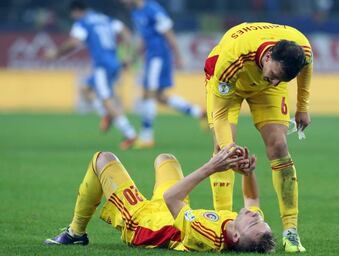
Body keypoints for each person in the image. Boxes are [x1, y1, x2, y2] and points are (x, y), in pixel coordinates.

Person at [204, 22, 313, 252]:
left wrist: (302, 106)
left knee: (279, 146)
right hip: (228, 83)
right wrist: (229, 148)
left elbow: (306, 70)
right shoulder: (233, 58)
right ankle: (224, 220)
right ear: (268, 56)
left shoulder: (301, 49)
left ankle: (290, 231)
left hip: (263, 89)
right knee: (222, 151)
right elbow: (221, 114)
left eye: (281, 80)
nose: (274, 82)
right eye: (274, 75)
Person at [44, 145, 275, 253]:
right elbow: (251, 198)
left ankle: (75, 233)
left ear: (235, 237)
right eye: (260, 219)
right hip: (168, 210)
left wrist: (211, 167)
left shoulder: (207, 234)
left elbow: (171, 197)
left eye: (254, 222)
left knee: (102, 159)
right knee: (166, 158)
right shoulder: (238, 226)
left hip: (143, 222)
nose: (255, 215)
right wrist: (249, 173)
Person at [45, 1, 138, 150]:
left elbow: (74, 42)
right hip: (114, 63)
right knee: (86, 88)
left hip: (102, 66)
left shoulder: (83, 22)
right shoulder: (104, 18)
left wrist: (56, 53)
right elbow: (126, 33)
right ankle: (106, 115)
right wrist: (127, 54)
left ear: (76, 11)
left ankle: (130, 134)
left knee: (107, 100)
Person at [121, 0, 206, 149]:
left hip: (159, 57)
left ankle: (146, 137)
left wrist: (178, 56)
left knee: (149, 94)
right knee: (159, 96)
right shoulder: (136, 12)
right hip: (151, 57)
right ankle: (199, 113)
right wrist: (132, 58)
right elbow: (144, 39)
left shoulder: (152, 8)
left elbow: (168, 33)